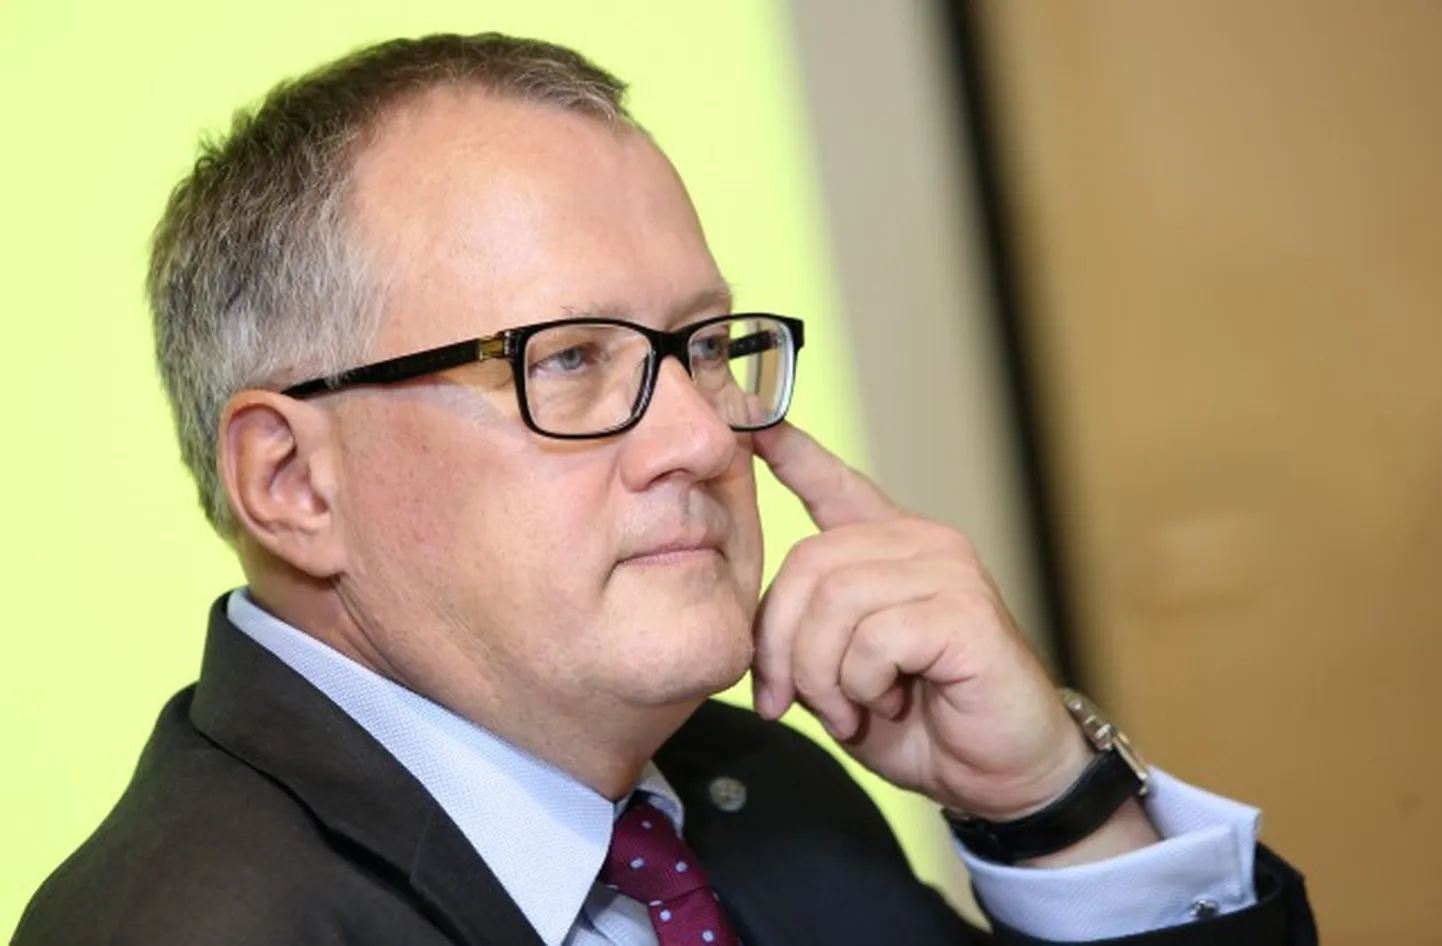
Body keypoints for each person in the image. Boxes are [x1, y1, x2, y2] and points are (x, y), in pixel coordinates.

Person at [12, 33, 1317, 946]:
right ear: (293, 480)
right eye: (569, 361)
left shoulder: (756, 790)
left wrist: (1048, 802)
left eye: (703, 345)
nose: (699, 435)